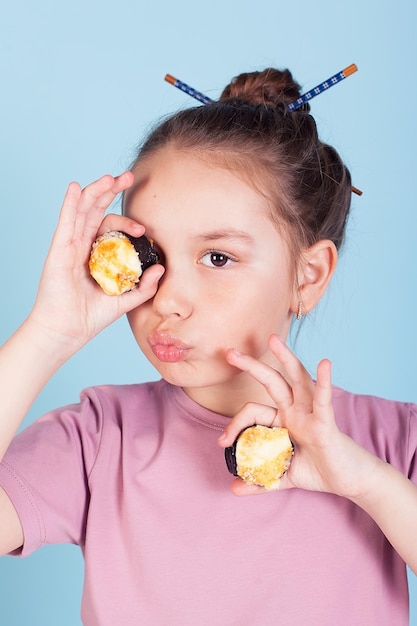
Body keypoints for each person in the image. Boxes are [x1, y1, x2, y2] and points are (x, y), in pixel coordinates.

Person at [0, 66, 416, 626]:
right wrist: (50, 332)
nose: (167, 300)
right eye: (153, 258)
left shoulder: (394, 444)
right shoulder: (100, 440)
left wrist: (366, 482)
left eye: (217, 258)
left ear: (308, 276)